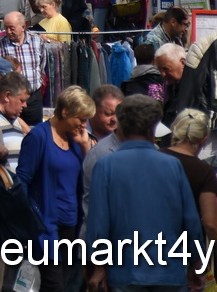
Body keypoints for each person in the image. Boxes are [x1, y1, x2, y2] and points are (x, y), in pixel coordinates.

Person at [83, 97, 203, 292]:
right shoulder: (172, 166)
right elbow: (190, 220)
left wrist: (98, 266)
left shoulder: (106, 166)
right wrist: (195, 264)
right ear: (154, 127)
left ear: (121, 125)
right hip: (170, 271)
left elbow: (98, 222)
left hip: (124, 272)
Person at [17, 86, 94, 292]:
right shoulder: (38, 137)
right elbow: (22, 181)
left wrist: (85, 148)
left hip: (72, 224)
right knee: (54, 284)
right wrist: (25, 224)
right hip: (45, 224)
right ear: (66, 112)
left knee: (68, 283)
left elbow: (87, 179)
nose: (84, 125)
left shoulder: (76, 138)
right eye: (81, 118)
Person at [163, 109, 217, 285]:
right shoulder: (204, 171)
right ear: (203, 140)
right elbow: (211, 223)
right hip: (183, 252)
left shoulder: (155, 158)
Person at [0, 12, 46, 121]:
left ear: (23, 26)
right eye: (6, 28)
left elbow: (42, 65)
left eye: (11, 28)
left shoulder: (37, 41)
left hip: (33, 97)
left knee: (34, 131)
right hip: (10, 99)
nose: (8, 32)